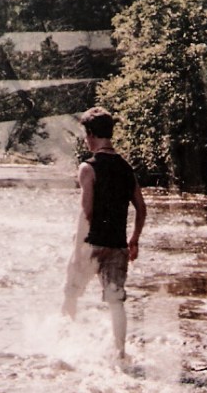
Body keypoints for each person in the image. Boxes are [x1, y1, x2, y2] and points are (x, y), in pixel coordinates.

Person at [62, 106, 146, 359]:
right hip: (118, 245)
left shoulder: (88, 168)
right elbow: (141, 208)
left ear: (91, 134)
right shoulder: (126, 168)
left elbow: (86, 212)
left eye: (86, 134)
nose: (85, 140)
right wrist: (134, 240)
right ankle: (120, 352)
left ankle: (65, 346)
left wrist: (78, 249)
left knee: (71, 293)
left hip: (91, 244)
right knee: (116, 300)